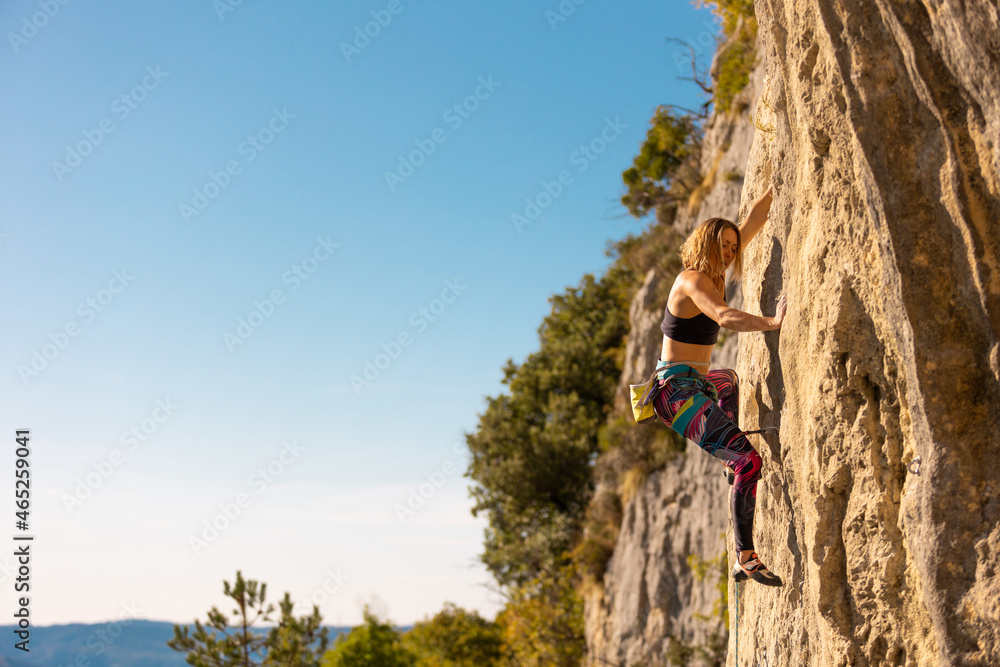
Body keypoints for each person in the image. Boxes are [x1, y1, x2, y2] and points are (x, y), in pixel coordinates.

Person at [651, 184, 786, 586]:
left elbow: (753, 222)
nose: (730, 253)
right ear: (707, 244)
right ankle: (746, 556)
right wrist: (771, 323)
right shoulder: (693, 280)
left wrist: (775, 185)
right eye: (724, 246)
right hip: (675, 395)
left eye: (733, 248)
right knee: (750, 461)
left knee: (727, 379)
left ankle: (731, 460)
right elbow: (725, 317)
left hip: (697, 384)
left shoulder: (714, 272)